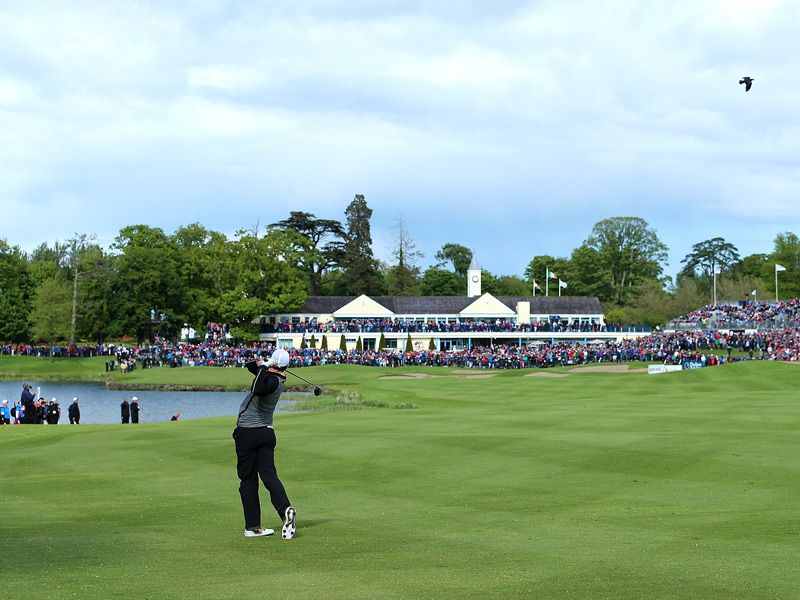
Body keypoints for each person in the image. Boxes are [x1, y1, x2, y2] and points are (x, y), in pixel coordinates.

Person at [232, 348, 296, 539]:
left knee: (248, 479)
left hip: (248, 433)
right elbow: (251, 367)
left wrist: (265, 367)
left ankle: (252, 527)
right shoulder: (275, 378)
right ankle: (285, 510)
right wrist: (263, 363)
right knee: (269, 475)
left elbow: (256, 389)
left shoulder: (270, 381)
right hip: (266, 433)